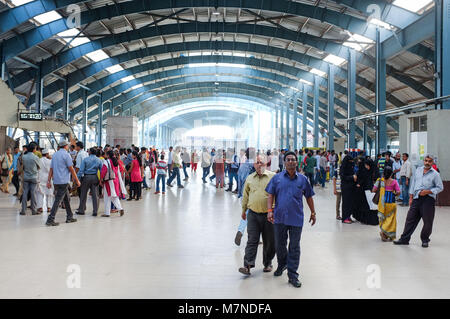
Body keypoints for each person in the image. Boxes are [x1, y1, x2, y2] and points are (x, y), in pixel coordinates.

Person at [266, 151, 316, 288]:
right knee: (280, 245)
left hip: (296, 218)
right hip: (279, 218)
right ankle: (282, 264)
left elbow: (309, 197)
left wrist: (313, 212)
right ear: (284, 162)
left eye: (293, 159)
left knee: (294, 246)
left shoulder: (303, 179)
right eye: (288, 159)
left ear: (296, 162)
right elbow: (270, 194)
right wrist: (270, 211)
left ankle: (293, 275)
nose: (290, 161)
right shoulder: (277, 178)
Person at [394, 155, 444, 248]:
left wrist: (428, 191)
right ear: (423, 161)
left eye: (429, 161)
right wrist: (411, 197)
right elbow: (413, 183)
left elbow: (440, 187)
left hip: (428, 200)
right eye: (426, 160)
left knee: (427, 221)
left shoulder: (435, 174)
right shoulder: (418, 170)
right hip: (416, 199)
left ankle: (425, 240)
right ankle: (404, 239)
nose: (427, 163)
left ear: (432, 162)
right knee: (410, 219)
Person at [238, 154, 276, 275]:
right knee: (252, 240)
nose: (259, 165)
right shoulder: (249, 178)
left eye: (261, 162)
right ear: (254, 165)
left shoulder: (273, 177)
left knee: (269, 241)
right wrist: (244, 211)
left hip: (269, 215)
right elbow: (246, 196)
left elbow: (278, 195)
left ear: (266, 163)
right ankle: (247, 265)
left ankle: (268, 262)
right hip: (253, 214)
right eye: (257, 162)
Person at [45, 140, 80, 226]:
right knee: (58, 200)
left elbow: (51, 169)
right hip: (63, 181)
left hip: (56, 181)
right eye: (68, 145)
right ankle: (50, 219)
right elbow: (71, 168)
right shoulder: (66, 155)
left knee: (66, 199)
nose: (68, 147)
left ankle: (69, 216)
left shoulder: (55, 155)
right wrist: (77, 180)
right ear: (65, 146)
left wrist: (49, 181)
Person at [372, 166, 400, 241]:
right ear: (391, 174)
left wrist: (381, 190)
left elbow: (374, 190)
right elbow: (398, 192)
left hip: (382, 203)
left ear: (383, 173)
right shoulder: (394, 182)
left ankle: (383, 232)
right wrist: (394, 193)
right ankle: (385, 233)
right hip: (391, 202)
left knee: (383, 218)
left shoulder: (380, 180)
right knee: (390, 219)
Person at [76, 147, 103, 216]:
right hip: (95, 177)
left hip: (86, 177)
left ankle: (81, 210)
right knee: (95, 195)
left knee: (83, 194)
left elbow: (81, 170)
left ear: (90, 152)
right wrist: (101, 180)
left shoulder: (85, 160)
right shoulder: (99, 160)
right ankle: (95, 211)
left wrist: (77, 179)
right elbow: (102, 170)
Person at [100, 150, 126, 217]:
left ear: (108, 155)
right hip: (115, 180)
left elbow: (103, 171)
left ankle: (107, 213)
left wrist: (101, 179)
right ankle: (120, 208)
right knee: (114, 196)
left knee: (107, 197)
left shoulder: (106, 162)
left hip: (109, 181)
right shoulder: (116, 162)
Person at [20, 144, 40, 215]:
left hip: (26, 177)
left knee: (25, 193)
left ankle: (23, 210)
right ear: (33, 149)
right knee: (33, 193)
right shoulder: (35, 157)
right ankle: (34, 210)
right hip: (34, 177)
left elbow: (23, 166)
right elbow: (39, 167)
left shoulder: (24, 157)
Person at [340, 153, 356, 224]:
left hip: (351, 187)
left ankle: (348, 216)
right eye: (350, 161)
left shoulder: (351, 167)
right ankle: (345, 218)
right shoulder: (343, 168)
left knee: (350, 203)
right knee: (346, 203)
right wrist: (352, 177)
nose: (351, 163)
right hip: (345, 187)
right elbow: (343, 177)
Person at [36, 149, 54, 213]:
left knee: (40, 193)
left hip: (40, 178)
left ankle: (40, 207)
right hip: (48, 178)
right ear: (47, 154)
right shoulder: (50, 161)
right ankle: (49, 207)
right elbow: (52, 170)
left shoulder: (38, 160)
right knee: (49, 193)